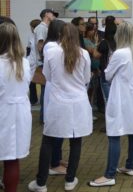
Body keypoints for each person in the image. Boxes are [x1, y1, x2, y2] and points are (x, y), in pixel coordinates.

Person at [28, 23, 93, 192]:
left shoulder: (51, 52)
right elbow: (86, 79)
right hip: (78, 102)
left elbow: (47, 76)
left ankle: (41, 183)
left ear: (60, 35)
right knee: (76, 141)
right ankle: (70, 180)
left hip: (58, 102)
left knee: (48, 141)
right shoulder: (84, 53)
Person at [89, 22, 133, 187]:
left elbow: (107, 76)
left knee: (114, 134)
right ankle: (129, 166)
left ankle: (110, 174)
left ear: (118, 35)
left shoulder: (119, 53)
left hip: (120, 96)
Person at [0, 22, 32, 192]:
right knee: (12, 159)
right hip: (20, 113)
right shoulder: (24, 63)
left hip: (3, 112)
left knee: (9, 156)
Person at [42, 20, 68, 176]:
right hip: (54, 90)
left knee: (60, 127)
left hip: (57, 89)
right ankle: (54, 163)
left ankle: (57, 159)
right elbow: (48, 73)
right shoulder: (51, 47)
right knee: (56, 128)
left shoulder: (55, 46)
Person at [34, 9, 58, 123]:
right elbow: (40, 45)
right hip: (43, 62)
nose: (53, 16)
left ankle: (46, 116)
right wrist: (46, 59)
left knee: (47, 89)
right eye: (52, 14)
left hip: (45, 62)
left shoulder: (46, 28)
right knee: (45, 89)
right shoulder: (41, 28)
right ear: (46, 15)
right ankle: (44, 118)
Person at [96, 22, 117, 104]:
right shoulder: (119, 42)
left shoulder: (104, 43)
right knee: (116, 97)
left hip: (105, 73)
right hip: (116, 74)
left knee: (108, 99)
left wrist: (95, 45)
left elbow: (96, 55)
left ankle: (109, 116)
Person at [27, 19, 41, 105]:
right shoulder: (30, 36)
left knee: (42, 81)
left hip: (40, 62)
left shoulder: (41, 36)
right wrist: (27, 58)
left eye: (31, 27)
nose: (31, 29)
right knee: (31, 81)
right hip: (31, 61)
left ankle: (43, 101)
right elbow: (28, 48)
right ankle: (33, 99)